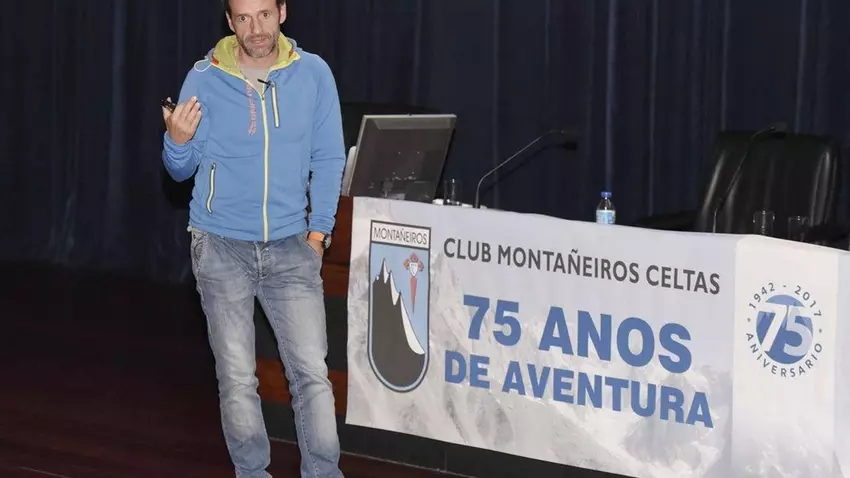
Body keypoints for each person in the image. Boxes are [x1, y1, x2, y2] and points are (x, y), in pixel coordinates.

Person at [160, 0, 345, 476]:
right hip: (220, 247)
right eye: (243, 18)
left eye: (264, 14)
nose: (255, 28)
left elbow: (328, 159)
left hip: (292, 246)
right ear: (229, 22)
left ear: (282, 12)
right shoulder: (204, 77)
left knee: (312, 377)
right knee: (238, 379)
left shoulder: (314, 74)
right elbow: (180, 170)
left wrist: (318, 235)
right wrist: (176, 142)